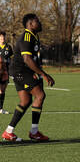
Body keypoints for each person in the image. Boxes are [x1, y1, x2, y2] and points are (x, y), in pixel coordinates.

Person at [1, 14, 55, 142]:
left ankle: (8, 132)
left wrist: (37, 71)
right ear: (30, 24)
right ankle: (34, 132)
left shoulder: (34, 36)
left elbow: (33, 58)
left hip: (21, 71)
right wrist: (44, 74)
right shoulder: (26, 37)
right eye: (37, 21)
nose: (40, 23)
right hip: (21, 71)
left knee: (25, 101)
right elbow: (27, 59)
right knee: (40, 96)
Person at [0, 31, 13, 114]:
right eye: (1, 37)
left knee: (2, 91)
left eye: (3, 37)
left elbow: (12, 59)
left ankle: (1, 109)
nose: (2, 39)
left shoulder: (8, 47)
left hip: (5, 72)